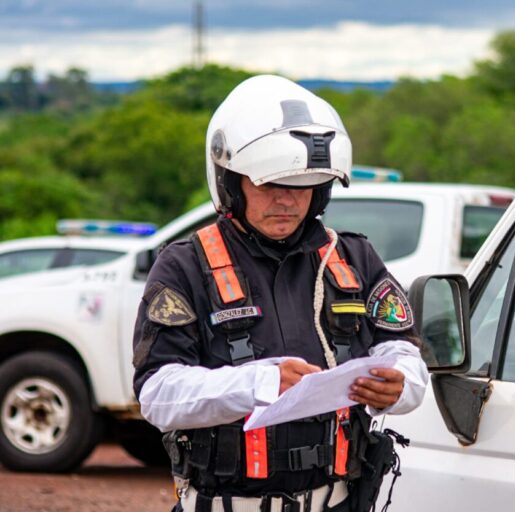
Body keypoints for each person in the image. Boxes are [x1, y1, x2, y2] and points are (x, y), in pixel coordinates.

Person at [132, 75, 428, 512]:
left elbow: (404, 355)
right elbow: (158, 395)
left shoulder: (353, 258)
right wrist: (261, 383)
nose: (288, 201)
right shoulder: (185, 265)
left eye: (302, 186)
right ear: (231, 181)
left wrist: (401, 387)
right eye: (271, 185)